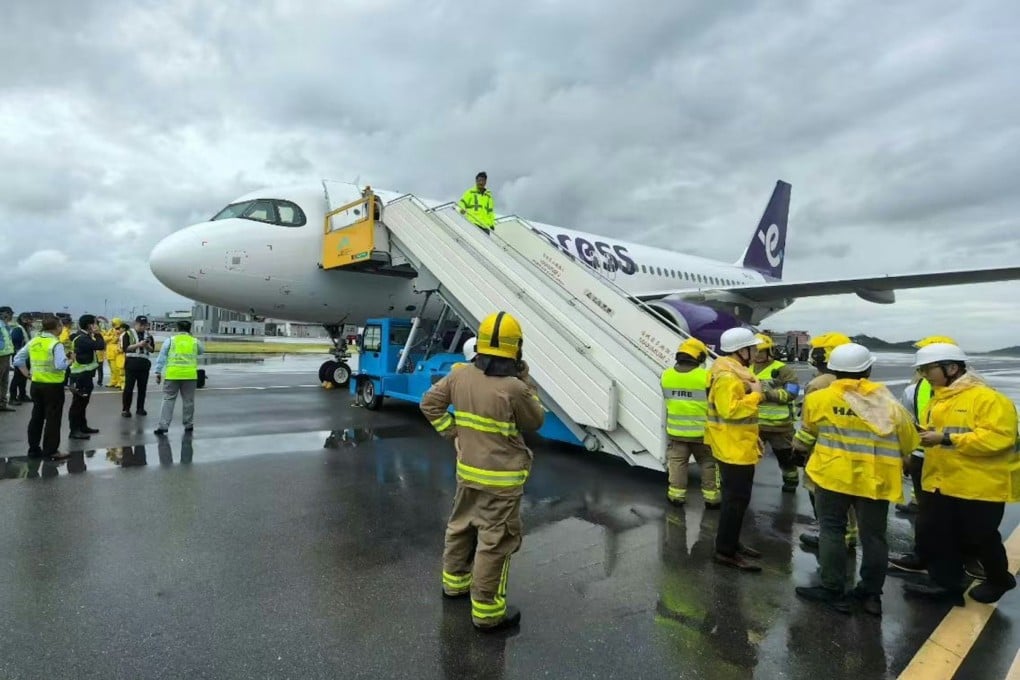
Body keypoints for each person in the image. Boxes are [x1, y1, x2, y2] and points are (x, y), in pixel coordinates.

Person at [420, 311, 545, 631]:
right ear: (516, 349)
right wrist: (526, 381)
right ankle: (488, 612)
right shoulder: (514, 388)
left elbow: (429, 404)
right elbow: (535, 421)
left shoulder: (459, 375)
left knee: (460, 527)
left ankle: (454, 584)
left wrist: (453, 432)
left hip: (468, 471)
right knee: (495, 542)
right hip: (502, 481)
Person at [793, 344, 918, 616]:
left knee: (831, 531)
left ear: (834, 370)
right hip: (875, 480)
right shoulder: (889, 404)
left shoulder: (819, 399)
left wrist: (798, 449)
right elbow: (909, 443)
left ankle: (832, 589)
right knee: (873, 537)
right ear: (868, 370)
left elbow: (806, 436)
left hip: (832, 476)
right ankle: (871, 595)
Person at [902, 343, 1019, 605]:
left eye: (928, 369)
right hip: (943, 481)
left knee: (981, 537)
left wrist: (946, 438)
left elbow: (1000, 439)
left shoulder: (988, 399)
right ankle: (945, 585)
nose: (924, 375)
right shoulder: (939, 399)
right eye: (922, 370)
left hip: (979, 484)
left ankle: (999, 579)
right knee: (940, 533)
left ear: (952, 368)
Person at [705, 327, 765, 571]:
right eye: (753, 348)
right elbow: (730, 410)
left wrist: (755, 437)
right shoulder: (728, 378)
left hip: (737, 443)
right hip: (733, 449)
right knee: (735, 501)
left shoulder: (732, 371)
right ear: (742, 351)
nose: (756, 352)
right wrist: (756, 395)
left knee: (738, 500)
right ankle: (725, 551)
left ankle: (731, 542)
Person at [795, 332, 859, 551]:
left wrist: (799, 448)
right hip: (852, 449)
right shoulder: (859, 383)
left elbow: (809, 424)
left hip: (823, 450)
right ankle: (849, 534)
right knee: (846, 495)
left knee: (822, 497)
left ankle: (831, 536)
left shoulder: (819, 384)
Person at [661, 337, 720, 508]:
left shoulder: (666, 375)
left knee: (677, 463)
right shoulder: (706, 376)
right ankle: (712, 498)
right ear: (699, 356)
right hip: (703, 433)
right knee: (708, 463)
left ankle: (676, 496)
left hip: (676, 432)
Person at [12, 316, 70, 460]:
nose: (62, 328)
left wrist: (27, 374)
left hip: (36, 385)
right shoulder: (55, 344)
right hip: (53, 386)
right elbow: (60, 365)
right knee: (52, 419)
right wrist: (70, 360)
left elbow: (18, 359)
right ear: (56, 327)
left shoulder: (34, 341)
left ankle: (33, 449)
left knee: (36, 417)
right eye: (60, 325)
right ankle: (50, 451)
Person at [751, 333, 801, 493]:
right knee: (748, 458)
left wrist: (767, 395)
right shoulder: (747, 369)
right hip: (754, 425)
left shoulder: (783, 370)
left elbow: (792, 392)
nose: (758, 354)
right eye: (755, 351)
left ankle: (791, 481)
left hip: (780, 426)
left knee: (785, 458)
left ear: (770, 351)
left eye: (762, 351)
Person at [153, 320, 204, 436]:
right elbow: (201, 351)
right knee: (188, 401)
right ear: (190, 329)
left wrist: (158, 371)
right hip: (189, 376)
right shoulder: (194, 341)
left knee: (168, 400)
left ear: (177, 328)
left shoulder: (170, 340)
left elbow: (162, 356)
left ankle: (163, 426)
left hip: (173, 375)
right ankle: (188, 424)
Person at [68, 314, 107, 439]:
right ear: (90, 325)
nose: (97, 326)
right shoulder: (82, 338)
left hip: (85, 375)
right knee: (78, 405)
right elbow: (100, 345)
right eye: (95, 323)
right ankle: (74, 430)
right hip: (80, 376)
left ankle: (82, 426)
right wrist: (98, 333)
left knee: (83, 403)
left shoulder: (84, 336)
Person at [121, 315, 155, 417]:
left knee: (142, 388)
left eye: (145, 325)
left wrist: (147, 345)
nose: (143, 327)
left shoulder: (148, 335)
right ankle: (126, 409)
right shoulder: (127, 334)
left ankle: (140, 408)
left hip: (144, 364)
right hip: (131, 363)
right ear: (136, 323)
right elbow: (125, 348)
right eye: (141, 325)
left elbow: (152, 350)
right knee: (128, 388)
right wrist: (138, 345)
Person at [8, 313, 32, 404]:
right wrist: (20, 355)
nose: (31, 321)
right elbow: (16, 343)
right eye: (29, 319)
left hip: (25, 356)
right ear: (24, 319)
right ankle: (12, 398)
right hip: (20, 357)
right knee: (17, 377)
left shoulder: (25, 329)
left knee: (23, 377)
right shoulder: (18, 329)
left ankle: (22, 395)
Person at [0, 306, 16, 412]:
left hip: (6, 356)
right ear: (4, 314)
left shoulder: (5, 326)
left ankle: (2, 403)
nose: (11, 316)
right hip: (1, 357)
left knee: (4, 381)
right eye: (10, 314)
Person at [104, 318, 125, 389]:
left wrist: (110, 338)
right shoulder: (111, 330)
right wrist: (111, 337)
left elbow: (116, 339)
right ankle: (113, 381)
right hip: (109, 351)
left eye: (114, 322)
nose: (112, 324)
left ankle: (119, 382)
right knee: (112, 369)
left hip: (116, 352)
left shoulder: (120, 331)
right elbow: (104, 338)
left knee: (117, 368)